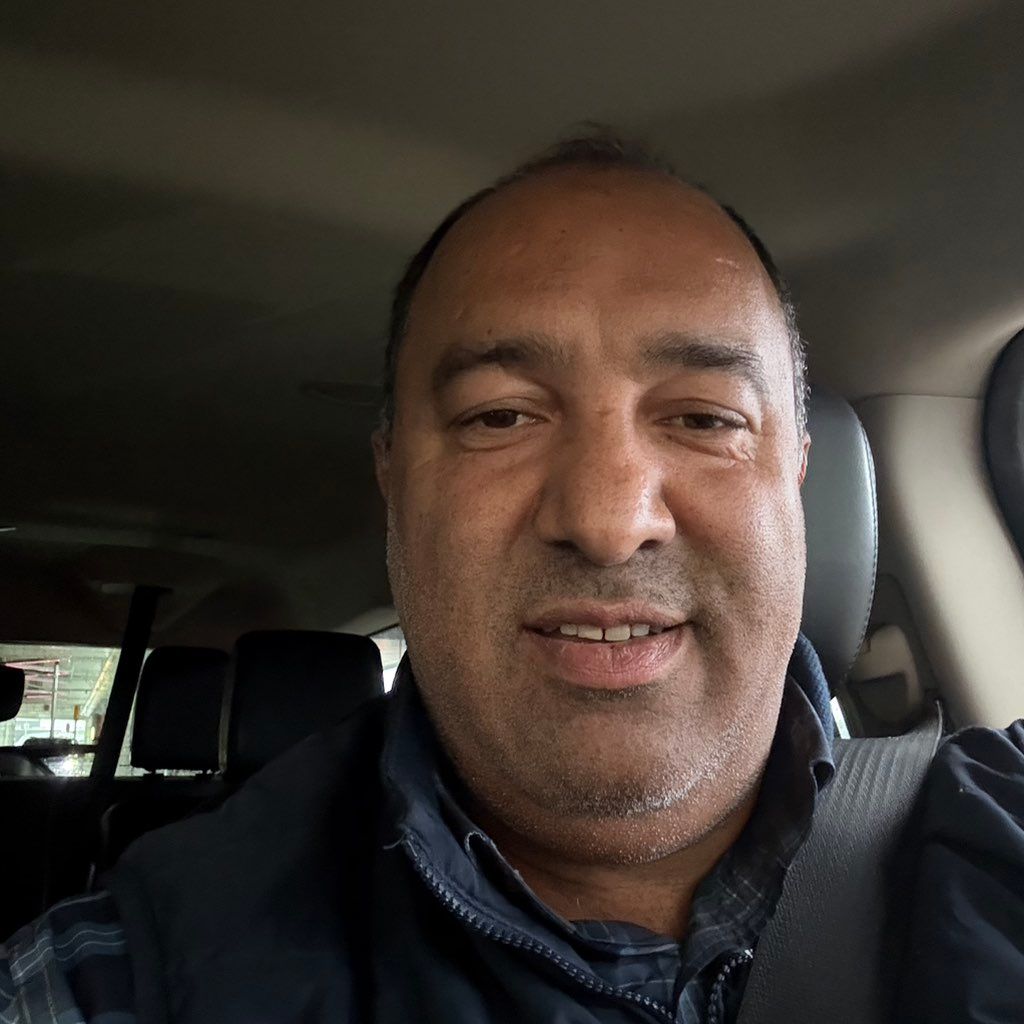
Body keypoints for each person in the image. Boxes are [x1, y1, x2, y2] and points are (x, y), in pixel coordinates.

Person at [3, 132, 1022, 1024]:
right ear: (394, 477)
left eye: (703, 417)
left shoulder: (996, 840)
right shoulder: (126, 976)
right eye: (501, 416)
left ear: (796, 471)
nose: (608, 521)